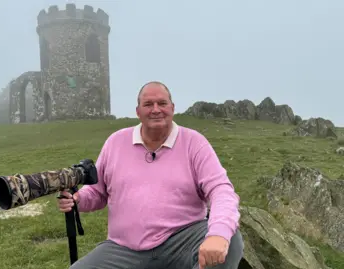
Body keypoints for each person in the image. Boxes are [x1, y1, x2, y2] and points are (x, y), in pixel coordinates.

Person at [58, 81, 244, 269]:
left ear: (172, 108)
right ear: (138, 112)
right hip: (124, 249)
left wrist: (218, 234)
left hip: (181, 242)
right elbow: (97, 193)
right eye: (148, 105)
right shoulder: (116, 142)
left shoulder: (194, 143)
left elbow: (221, 190)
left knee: (230, 240)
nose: (156, 110)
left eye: (162, 103)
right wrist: (77, 199)